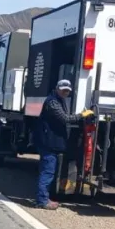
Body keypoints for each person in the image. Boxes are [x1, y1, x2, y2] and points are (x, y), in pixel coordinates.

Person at [33, 79, 93, 210]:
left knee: (48, 171)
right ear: (57, 89)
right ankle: (42, 200)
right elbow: (65, 119)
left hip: (50, 142)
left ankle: (44, 198)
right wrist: (82, 115)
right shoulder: (53, 102)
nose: (65, 92)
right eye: (63, 90)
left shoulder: (58, 100)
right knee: (47, 172)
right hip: (48, 142)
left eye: (67, 90)